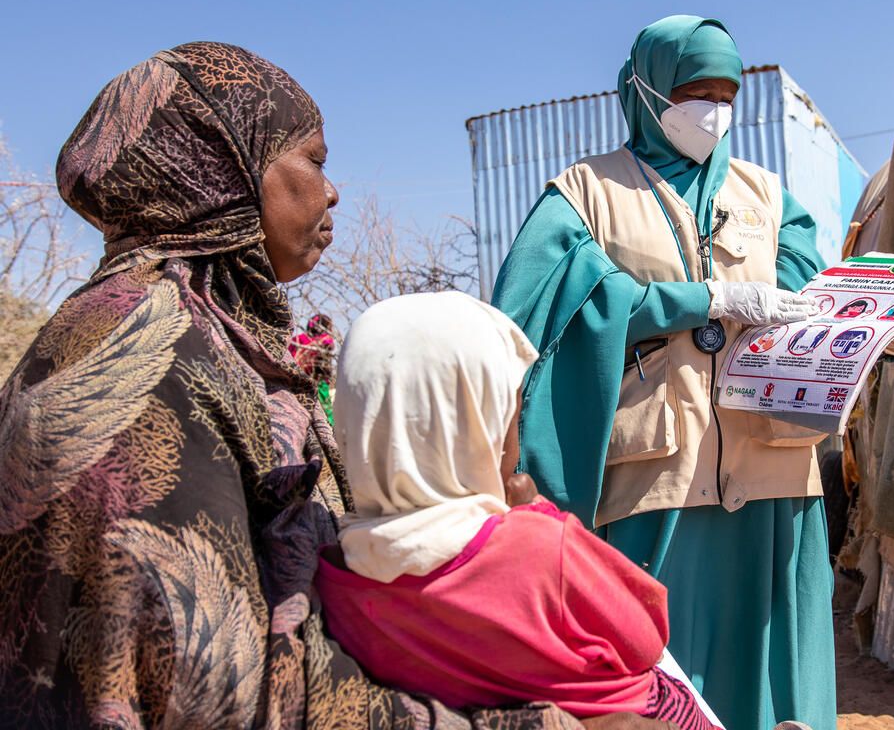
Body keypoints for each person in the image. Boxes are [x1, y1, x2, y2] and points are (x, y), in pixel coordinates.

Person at [0, 42, 583, 730]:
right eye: (315, 159)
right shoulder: (152, 369)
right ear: (224, 166)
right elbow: (215, 697)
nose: (332, 190)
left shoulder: (196, 332)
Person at [492, 16, 894, 730]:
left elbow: (814, 314)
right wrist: (699, 300)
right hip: (654, 478)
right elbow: (544, 313)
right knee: (661, 681)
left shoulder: (768, 199)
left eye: (726, 93)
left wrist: (886, 335)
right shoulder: (584, 194)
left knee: (771, 687)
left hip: (771, 478)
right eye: (693, 91)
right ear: (643, 90)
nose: (713, 110)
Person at [315, 292, 719, 730]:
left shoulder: (339, 577)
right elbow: (647, 634)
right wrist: (541, 515)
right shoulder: (538, 547)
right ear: (476, 427)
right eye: (508, 414)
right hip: (649, 714)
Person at [291, 312, 337, 423]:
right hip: (316, 380)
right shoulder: (325, 339)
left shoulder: (298, 339)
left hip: (302, 380)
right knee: (326, 411)